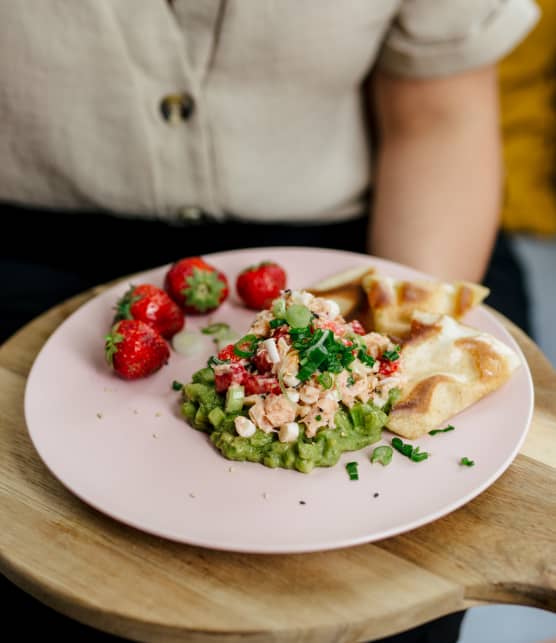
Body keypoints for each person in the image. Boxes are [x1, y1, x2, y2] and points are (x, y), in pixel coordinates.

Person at [0, 1, 540, 641]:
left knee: (382, 597)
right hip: (32, 250)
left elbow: (438, 121)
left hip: (363, 233)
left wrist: (410, 336)